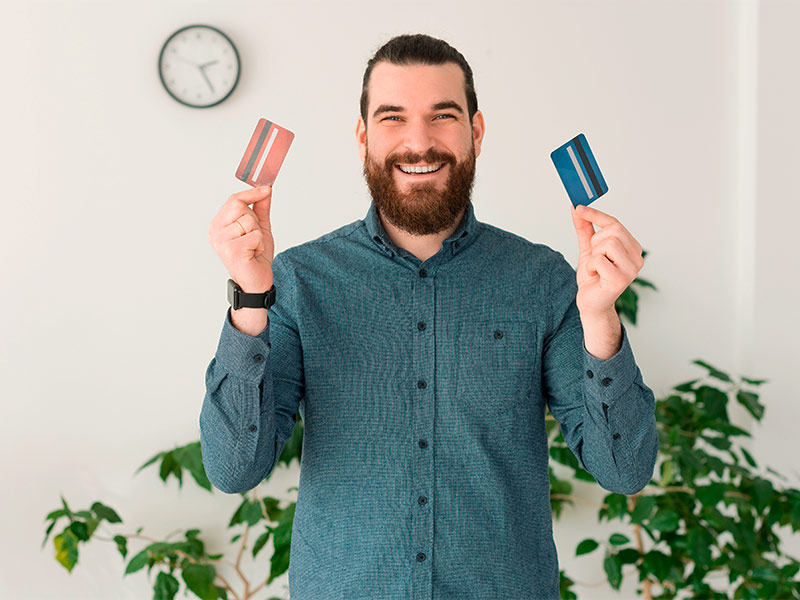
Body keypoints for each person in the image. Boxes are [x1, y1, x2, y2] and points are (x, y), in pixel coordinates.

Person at [201, 33, 658, 600]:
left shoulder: (544, 279)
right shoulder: (295, 281)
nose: (419, 142)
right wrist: (249, 298)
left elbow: (625, 469)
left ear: (476, 131)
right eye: (393, 118)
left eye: (443, 115)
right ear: (364, 136)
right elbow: (232, 469)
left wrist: (600, 318)